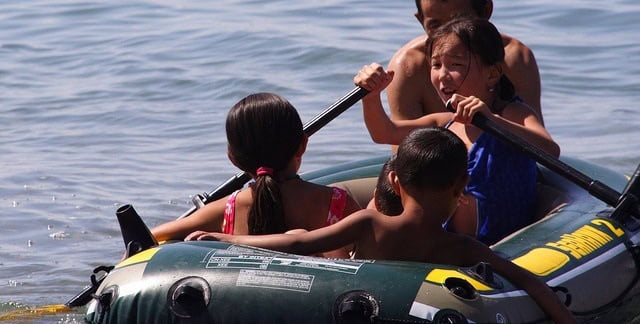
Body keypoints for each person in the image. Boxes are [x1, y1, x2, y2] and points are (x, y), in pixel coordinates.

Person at [187, 128, 576, 324]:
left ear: (393, 182)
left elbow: (300, 245)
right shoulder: (462, 249)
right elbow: (530, 281)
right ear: (462, 187)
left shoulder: (370, 223)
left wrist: (225, 239)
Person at [354, 17, 559, 245]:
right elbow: (384, 132)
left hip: (499, 248)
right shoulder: (446, 123)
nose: (442, 75)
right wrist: (370, 97)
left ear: (492, 74)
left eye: (456, 65)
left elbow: (550, 150)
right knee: (371, 211)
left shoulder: (512, 112)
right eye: (436, 65)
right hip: (450, 245)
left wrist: (492, 120)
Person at [151, 92, 361, 258]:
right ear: (303, 145)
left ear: (232, 158)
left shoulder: (225, 211)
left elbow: (152, 236)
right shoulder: (337, 203)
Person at [387, 0, 543, 126]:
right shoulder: (408, 65)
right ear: (421, 21)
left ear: (486, 12)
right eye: (436, 26)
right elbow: (400, 145)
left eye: (459, 21)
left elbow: (536, 143)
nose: (449, 35)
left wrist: (492, 120)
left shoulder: (514, 57)